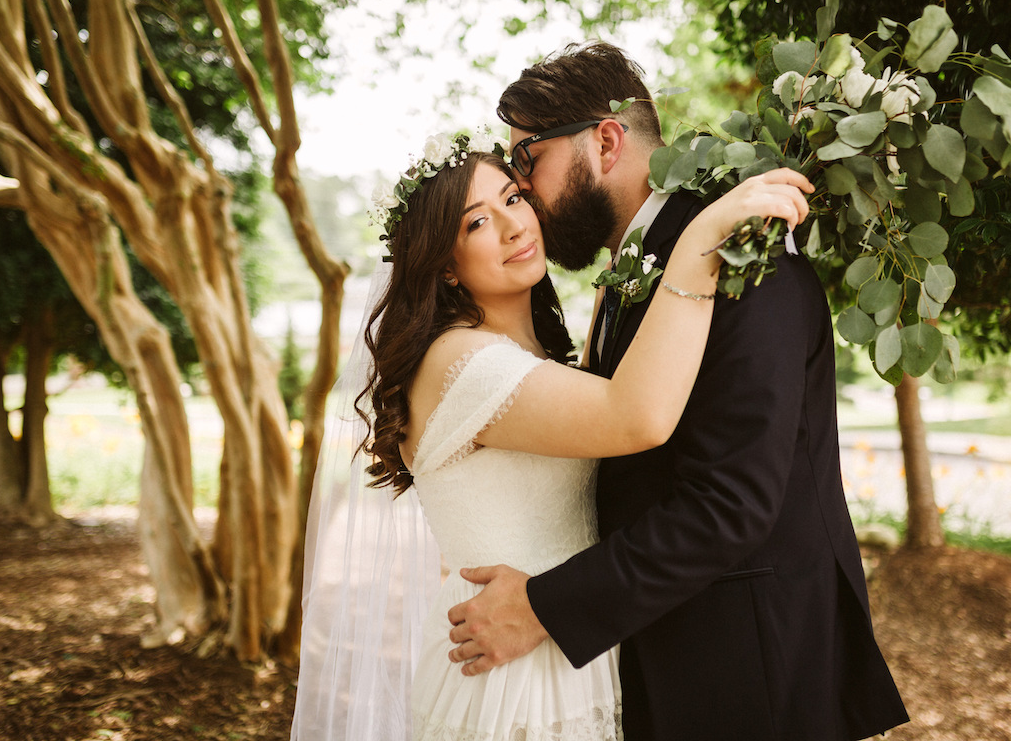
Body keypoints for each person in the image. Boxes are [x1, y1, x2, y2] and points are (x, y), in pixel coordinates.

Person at [445, 42, 911, 740]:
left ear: (605, 141)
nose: (523, 188)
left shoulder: (743, 260)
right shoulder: (651, 261)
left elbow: (730, 505)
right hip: (673, 659)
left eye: (527, 159)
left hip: (753, 673)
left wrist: (546, 607)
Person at [290, 130, 811, 741]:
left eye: (513, 198)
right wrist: (700, 241)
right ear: (445, 268)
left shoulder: (539, 360)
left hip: (565, 646)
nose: (513, 227)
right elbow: (636, 416)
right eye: (476, 223)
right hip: (512, 675)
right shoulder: (462, 363)